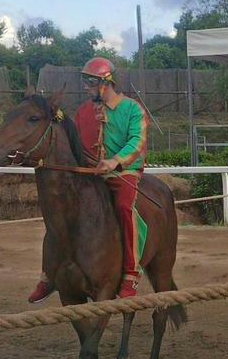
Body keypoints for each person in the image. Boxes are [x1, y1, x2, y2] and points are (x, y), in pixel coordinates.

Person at [28, 57, 150, 303]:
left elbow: (137, 141)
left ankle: (130, 273)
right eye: (85, 82)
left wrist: (115, 161)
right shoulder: (83, 111)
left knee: (125, 208)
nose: (86, 87)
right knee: (60, 212)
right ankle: (48, 275)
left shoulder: (132, 109)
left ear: (106, 83)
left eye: (90, 82)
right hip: (90, 174)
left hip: (122, 173)